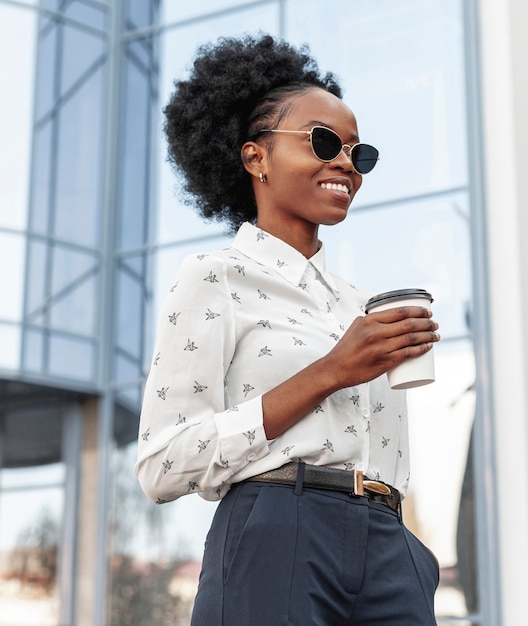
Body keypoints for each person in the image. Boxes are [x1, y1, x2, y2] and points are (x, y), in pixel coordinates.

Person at [135, 33, 441, 625]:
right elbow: (162, 463)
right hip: (280, 533)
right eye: (324, 142)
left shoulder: (360, 307)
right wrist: (330, 372)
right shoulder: (215, 277)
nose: (346, 164)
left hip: (389, 542)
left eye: (360, 153)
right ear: (256, 158)